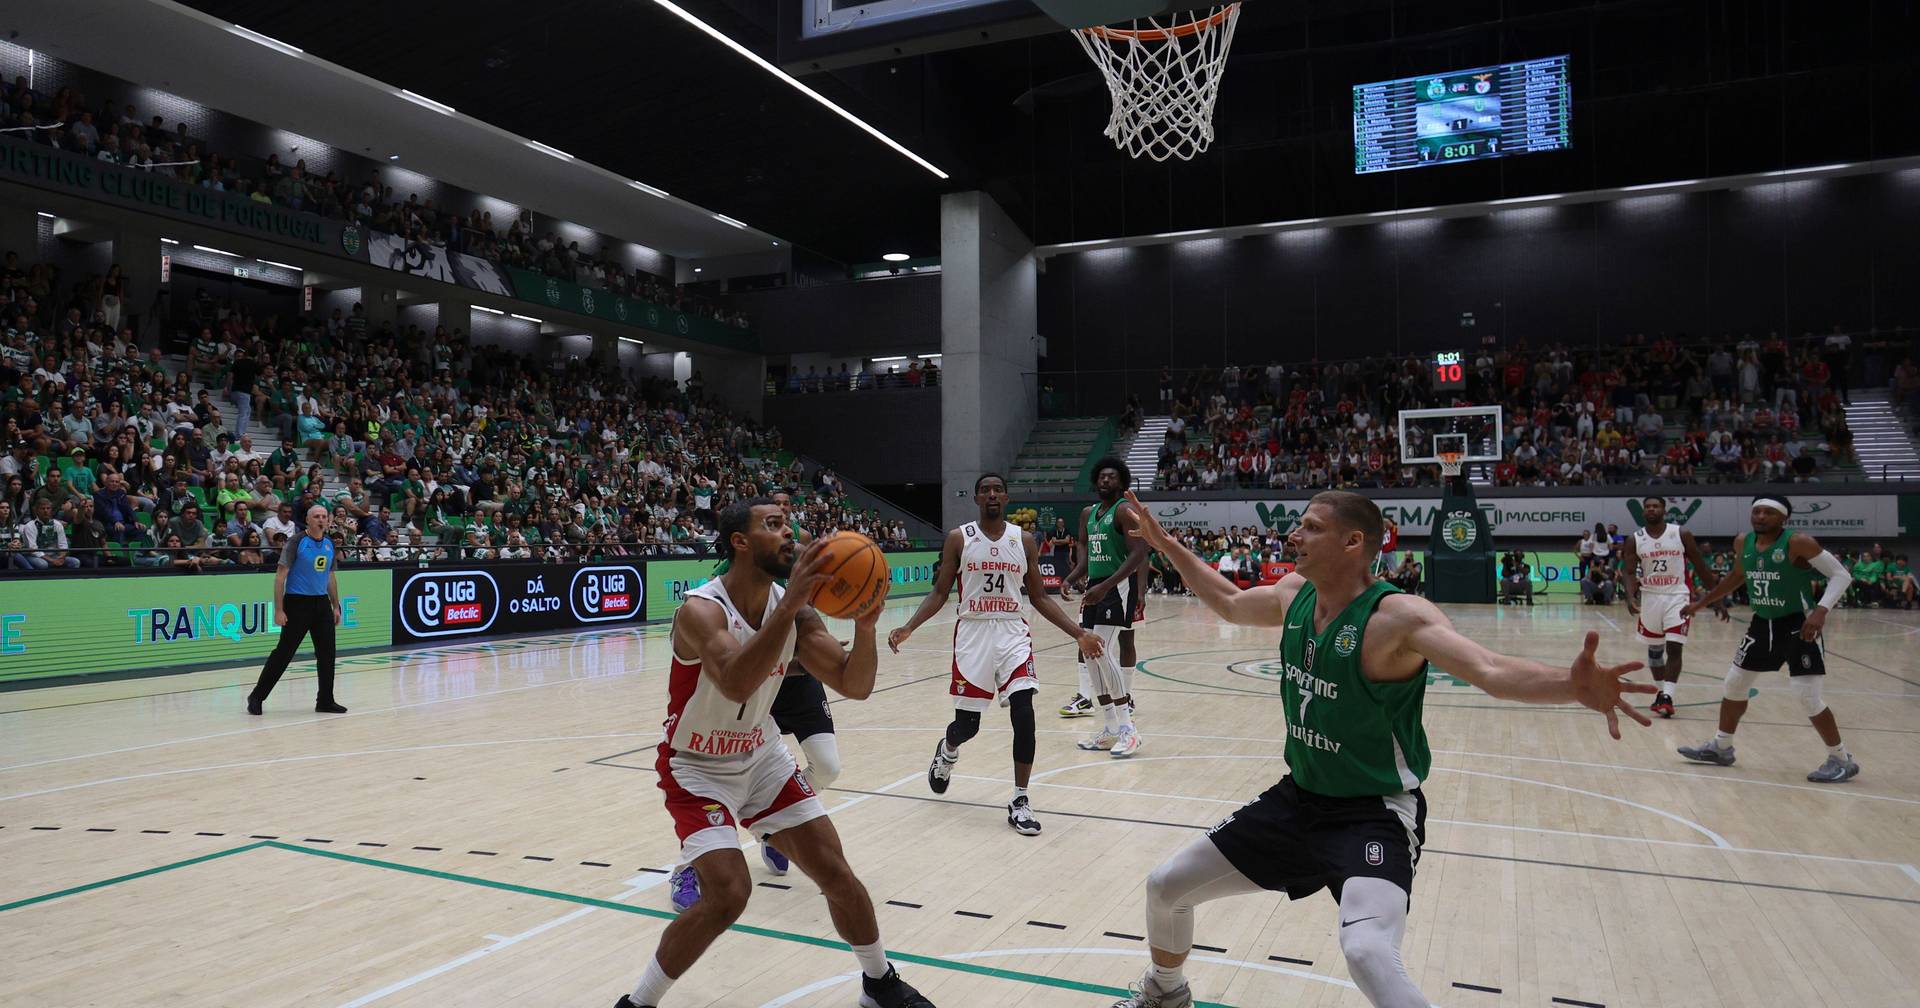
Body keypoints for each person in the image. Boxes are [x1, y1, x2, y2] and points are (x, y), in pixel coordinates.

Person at [1110, 489, 1653, 1008]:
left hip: (1374, 814)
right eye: (1300, 524)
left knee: (1367, 952)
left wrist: (1572, 685)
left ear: (1354, 543)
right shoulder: (1295, 592)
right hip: (1298, 802)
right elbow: (1229, 601)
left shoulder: (1398, 617)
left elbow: (1490, 669)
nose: (1294, 533)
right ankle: (1166, 991)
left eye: (1312, 527)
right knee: (1166, 887)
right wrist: (1166, 544)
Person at [613, 498, 932, 1008]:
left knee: (836, 872)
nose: (790, 534)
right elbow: (738, 682)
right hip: (696, 767)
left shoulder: (797, 612)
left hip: (761, 756)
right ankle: (639, 1002)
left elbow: (855, 683)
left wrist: (867, 626)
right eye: (774, 525)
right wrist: (790, 605)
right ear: (740, 541)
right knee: (728, 895)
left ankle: (880, 982)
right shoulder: (700, 610)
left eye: (790, 525)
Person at [888, 473, 1104, 835]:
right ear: (975, 499)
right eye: (985, 490)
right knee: (966, 726)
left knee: (1024, 710)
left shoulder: (1025, 540)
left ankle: (1020, 799)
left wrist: (1078, 633)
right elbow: (940, 592)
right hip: (973, 633)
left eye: (997, 490)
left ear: (1007, 498)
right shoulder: (960, 538)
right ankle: (948, 749)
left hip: (1012, 631)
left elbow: (1038, 598)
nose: (991, 494)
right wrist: (909, 627)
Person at [1677, 495, 1860, 783]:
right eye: (1756, 511)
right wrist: (1702, 603)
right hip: (1762, 623)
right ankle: (1721, 747)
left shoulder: (1797, 542)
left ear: (1783, 518)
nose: (1760, 516)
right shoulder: (1743, 542)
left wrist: (1820, 611)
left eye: (1768, 512)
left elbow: (1841, 575)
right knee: (1734, 684)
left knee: (1806, 696)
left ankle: (1841, 758)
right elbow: (1737, 576)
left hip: (1798, 625)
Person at [1063, 459, 1150, 757]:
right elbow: (1087, 559)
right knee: (1090, 655)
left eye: (1111, 477)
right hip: (1095, 587)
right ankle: (1111, 727)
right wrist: (1073, 578)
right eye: (1101, 476)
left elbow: (1140, 553)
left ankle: (1128, 728)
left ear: (1122, 482)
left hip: (1115, 587)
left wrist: (1109, 585)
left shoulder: (1124, 511)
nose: (1105, 480)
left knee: (1101, 650)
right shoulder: (1090, 514)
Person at [1621, 495, 1729, 717]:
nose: (1651, 509)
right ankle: (1662, 693)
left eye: (1656, 506)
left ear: (1664, 509)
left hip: (1677, 595)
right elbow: (1629, 571)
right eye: (1648, 507)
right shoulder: (1635, 539)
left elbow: (1700, 567)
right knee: (1654, 653)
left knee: (1674, 647)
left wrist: (1716, 598)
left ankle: (1668, 696)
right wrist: (1630, 596)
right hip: (1650, 597)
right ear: (1643, 512)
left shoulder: (1681, 534)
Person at [246, 505, 347, 715]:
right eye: (316, 517)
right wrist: (279, 610)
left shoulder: (329, 544)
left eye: (324, 517)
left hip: (321, 604)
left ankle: (325, 700)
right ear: (308, 521)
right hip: (297, 603)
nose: (321, 520)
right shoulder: (296, 542)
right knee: (284, 653)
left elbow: (330, 576)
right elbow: (280, 577)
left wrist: (335, 605)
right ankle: (257, 696)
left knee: (327, 654)